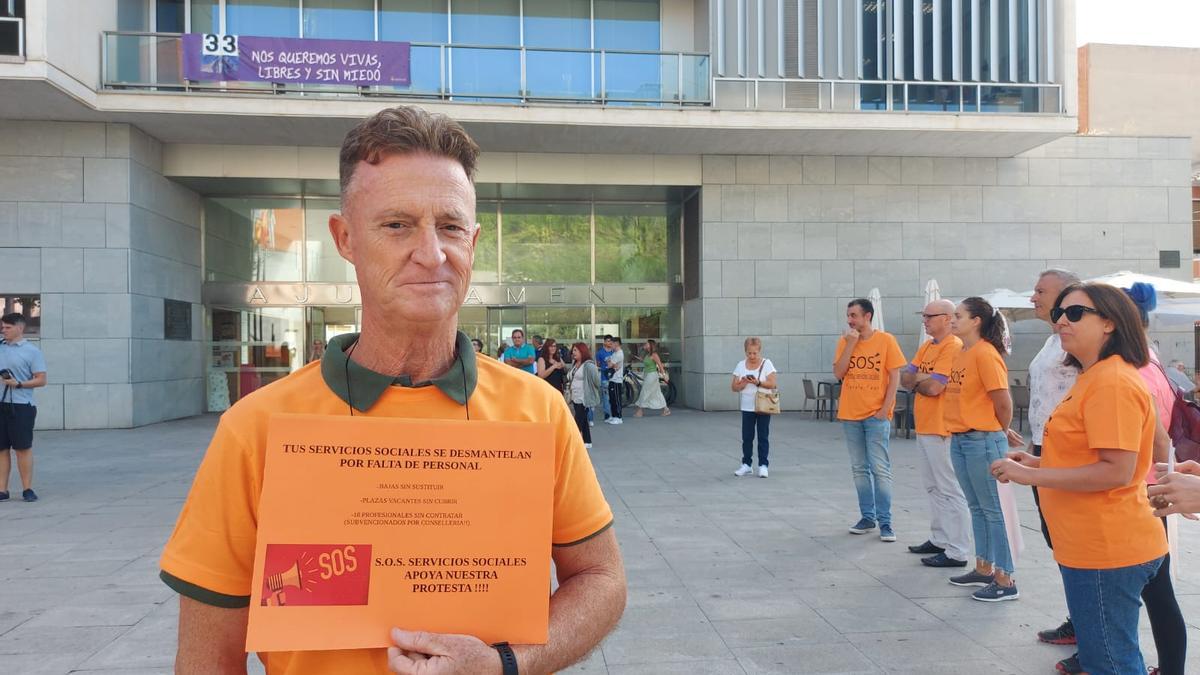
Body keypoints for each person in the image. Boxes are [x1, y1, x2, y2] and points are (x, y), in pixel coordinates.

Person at [160, 106, 626, 674]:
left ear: (473, 242)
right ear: (346, 238)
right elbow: (208, 657)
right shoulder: (257, 427)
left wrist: (506, 664)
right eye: (397, 224)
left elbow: (601, 579)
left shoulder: (537, 410)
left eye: (450, 226)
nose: (431, 253)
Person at [992, 283, 1169, 675]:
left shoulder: (1113, 382)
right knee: (1108, 657)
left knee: (1111, 663)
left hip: (1107, 548)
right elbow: (1086, 455)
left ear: (1109, 322)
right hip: (1094, 544)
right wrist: (1036, 463)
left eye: (1074, 313)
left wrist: (1028, 474)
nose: (1060, 322)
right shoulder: (1095, 376)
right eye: (1059, 314)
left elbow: (1116, 470)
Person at [1121, 283, 1187, 675]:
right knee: (1158, 592)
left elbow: (1159, 438)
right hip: (1149, 488)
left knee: (1154, 593)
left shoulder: (1133, 368)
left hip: (1141, 492)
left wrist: (1161, 485)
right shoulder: (1152, 358)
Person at [942, 297, 1021, 602]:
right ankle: (984, 567)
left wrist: (998, 430)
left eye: (958, 316)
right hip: (962, 438)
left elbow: (1003, 400)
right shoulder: (962, 352)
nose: (952, 320)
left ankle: (1005, 577)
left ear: (976, 321)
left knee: (993, 509)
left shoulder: (986, 354)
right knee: (977, 506)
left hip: (982, 439)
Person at [1025, 269, 1084, 658]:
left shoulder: (1080, 343)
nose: (1033, 297)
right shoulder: (1053, 340)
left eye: (1041, 291)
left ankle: (1091, 627)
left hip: (1067, 455)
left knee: (1075, 544)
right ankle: (1079, 619)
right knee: (1058, 542)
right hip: (1041, 449)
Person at [900, 299, 971, 568]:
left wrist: (919, 379)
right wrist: (921, 379)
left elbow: (934, 389)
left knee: (949, 489)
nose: (925, 320)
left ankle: (957, 549)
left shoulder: (953, 345)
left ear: (947, 318)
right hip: (926, 425)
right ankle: (940, 538)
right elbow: (905, 378)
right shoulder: (928, 346)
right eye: (924, 316)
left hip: (942, 428)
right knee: (932, 487)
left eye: (930, 316)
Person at [833, 298, 906, 542]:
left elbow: (895, 376)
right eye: (848, 315)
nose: (849, 320)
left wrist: (885, 409)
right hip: (850, 414)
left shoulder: (886, 341)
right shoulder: (845, 341)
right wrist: (851, 344)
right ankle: (867, 517)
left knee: (880, 468)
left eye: (854, 315)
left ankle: (886, 522)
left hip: (876, 415)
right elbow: (839, 373)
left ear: (867, 316)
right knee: (859, 468)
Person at [0, 313, 47, 503]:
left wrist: (18, 383)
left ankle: (27, 488)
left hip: (21, 406)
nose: (4, 330)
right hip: (0, 404)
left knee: (22, 448)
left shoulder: (32, 351)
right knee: (1, 449)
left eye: (8, 327)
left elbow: (41, 380)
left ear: (20, 328)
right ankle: (2, 490)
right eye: (2, 327)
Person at [731, 337, 777, 478]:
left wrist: (758, 382)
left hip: (763, 405)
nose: (752, 356)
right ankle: (746, 464)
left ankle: (763, 465)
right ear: (745, 352)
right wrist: (743, 383)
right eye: (749, 353)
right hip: (747, 407)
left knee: (763, 436)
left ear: (759, 351)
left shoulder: (767, 364)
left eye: (754, 353)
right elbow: (734, 387)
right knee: (747, 437)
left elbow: (772, 383)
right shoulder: (740, 365)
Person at [565, 343, 602, 449]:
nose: (573, 352)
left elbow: (596, 382)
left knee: (577, 422)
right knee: (583, 420)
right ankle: (587, 441)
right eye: (573, 350)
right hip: (575, 397)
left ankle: (571, 443)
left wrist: (590, 390)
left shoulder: (589, 365)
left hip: (584, 398)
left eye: (576, 350)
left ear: (582, 351)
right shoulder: (575, 364)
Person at [632, 339, 670, 417]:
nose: (645, 345)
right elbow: (647, 362)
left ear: (651, 345)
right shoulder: (648, 354)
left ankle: (640, 411)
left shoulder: (654, 355)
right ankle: (666, 409)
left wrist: (664, 375)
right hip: (647, 374)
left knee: (644, 391)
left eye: (647, 344)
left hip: (652, 376)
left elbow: (660, 365)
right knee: (657, 393)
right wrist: (641, 359)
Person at [603, 337, 625, 425]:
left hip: (617, 380)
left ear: (616, 344)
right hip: (612, 379)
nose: (610, 345)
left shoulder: (619, 354)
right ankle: (614, 416)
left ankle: (619, 417)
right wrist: (611, 363)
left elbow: (609, 364)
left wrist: (611, 363)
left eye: (611, 344)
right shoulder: (614, 353)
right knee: (612, 399)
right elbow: (608, 362)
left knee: (616, 399)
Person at [596, 336, 614, 421]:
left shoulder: (614, 352)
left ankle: (614, 414)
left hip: (614, 377)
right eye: (608, 341)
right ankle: (607, 415)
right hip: (605, 377)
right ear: (604, 342)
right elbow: (598, 364)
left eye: (611, 341)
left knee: (613, 396)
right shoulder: (600, 353)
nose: (610, 343)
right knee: (606, 397)